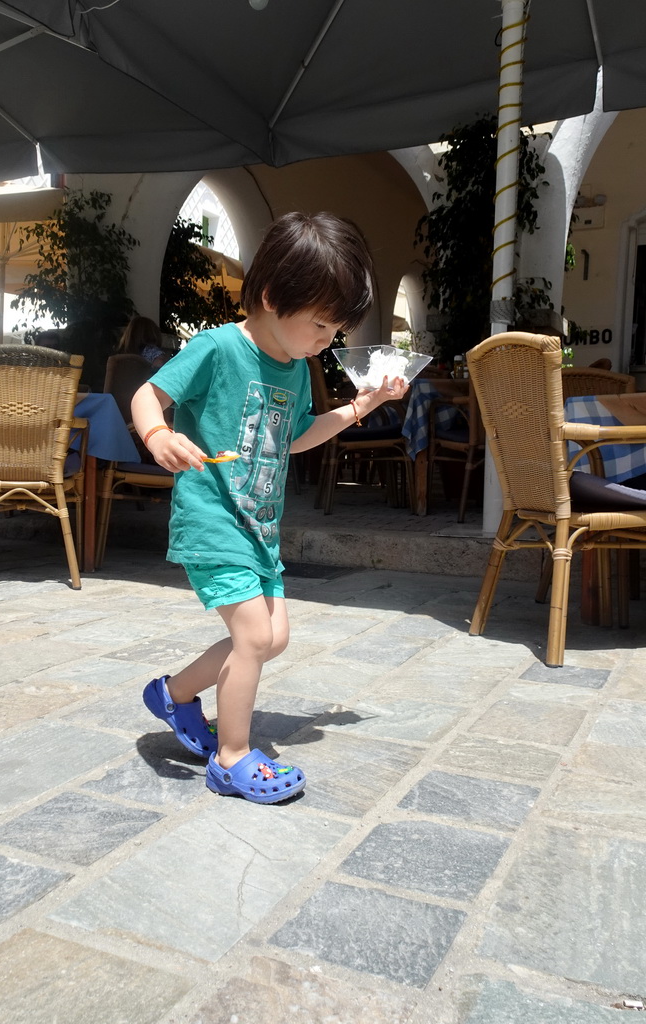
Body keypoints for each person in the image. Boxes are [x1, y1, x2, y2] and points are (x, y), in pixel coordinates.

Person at [130, 211, 407, 804]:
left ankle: (175, 693)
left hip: (260, 526)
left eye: (336, 328)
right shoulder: (216, 347)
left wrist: (364, 405)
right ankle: (231, 756)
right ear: (270, 295)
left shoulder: (297, 368)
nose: (328, 339)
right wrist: (157, 437)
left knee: (271, 638)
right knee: (254, 636)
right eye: (321, 324)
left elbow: (297, 436)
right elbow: (146, 395)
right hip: (213, 516)